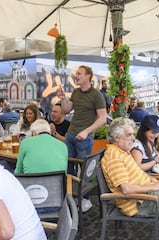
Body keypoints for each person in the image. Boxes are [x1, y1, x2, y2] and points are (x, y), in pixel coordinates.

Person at [101, 117, 159, 230]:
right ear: (116, 137)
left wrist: (151, 179)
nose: (133, 138)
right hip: (139, 203)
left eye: (133, 134)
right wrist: (155, 186)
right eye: (129, 135)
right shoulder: (114, 158)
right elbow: (126, 189)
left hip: (145, 195)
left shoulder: (122, 152)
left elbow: (137, 171)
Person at [57, 65, 106, 212]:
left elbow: (103, 119)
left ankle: (85, 200)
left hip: (85, 138)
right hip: (71, 134)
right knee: (68, 166)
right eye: (76, 74)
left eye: (79, 74)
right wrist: (63, 99)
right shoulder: (76, 92)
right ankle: (71, 197)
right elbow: (66, 110)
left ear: (88, 76)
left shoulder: (97, 95)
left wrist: (87, 131)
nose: (76, 76)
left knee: (85, 170)